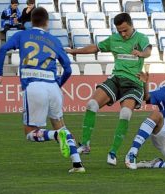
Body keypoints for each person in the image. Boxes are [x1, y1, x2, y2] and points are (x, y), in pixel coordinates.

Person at [0, 7, 85, 173]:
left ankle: (55, 136)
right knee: (60, 125)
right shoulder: (55, 40)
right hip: (53, 86)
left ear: (30, 21)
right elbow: (69, 69)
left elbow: (2, 49)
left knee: (30, 133)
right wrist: (58, 84)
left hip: (34, 86)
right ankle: (77, 164)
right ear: (47, 22)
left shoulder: (21, 35)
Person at [65, 12, 152, 166]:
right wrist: (74, 51)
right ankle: (85, 144)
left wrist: (141, 53)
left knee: (125, 113)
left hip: (134, 83)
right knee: (91, 104)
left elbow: (148, 51)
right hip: (116, 79)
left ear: (131, 25)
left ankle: (113, 152)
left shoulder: (141, 38)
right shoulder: (114, 39)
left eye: (125, 30)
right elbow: (95, 48)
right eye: (120, 31)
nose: (123, 34)